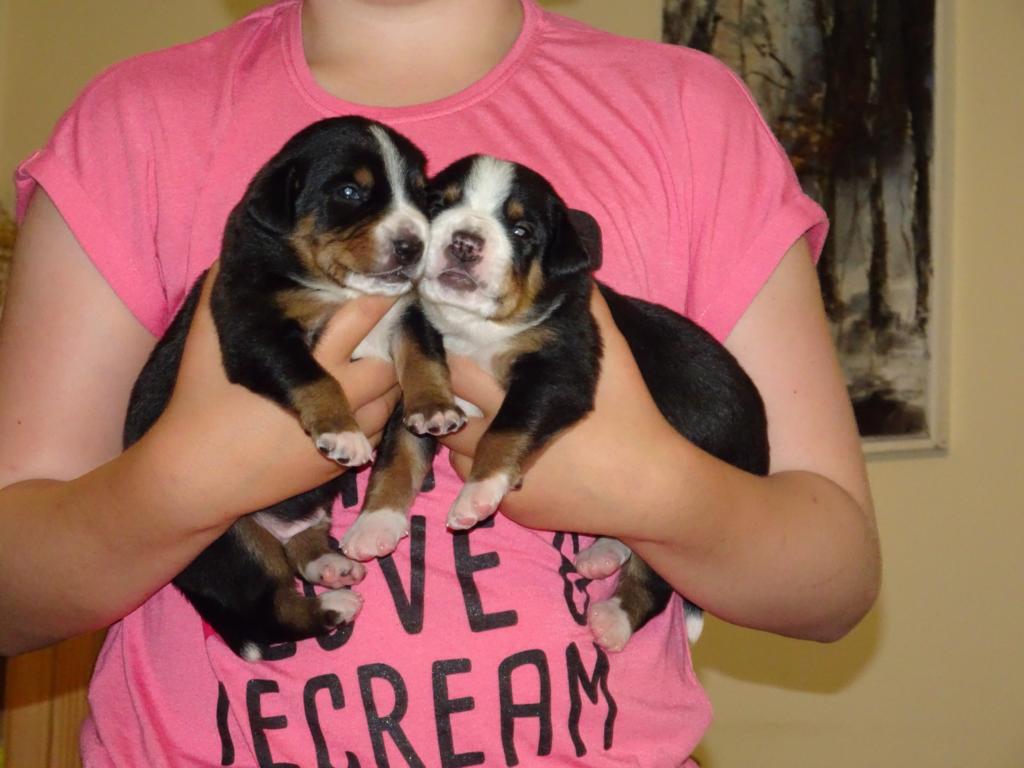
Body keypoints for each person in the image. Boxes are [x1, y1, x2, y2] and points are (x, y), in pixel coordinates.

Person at [0, 0, 880, 765]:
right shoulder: (133, 122)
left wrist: (649, 484)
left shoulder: (691, 115)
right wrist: (183, 480)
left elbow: (833, 581)